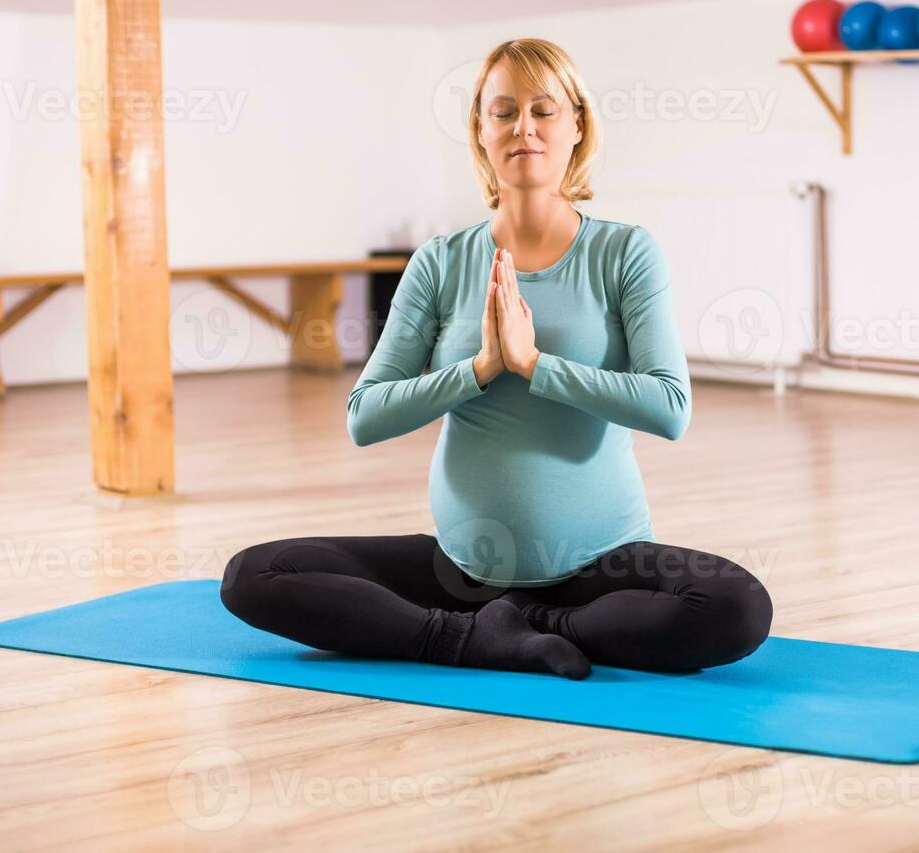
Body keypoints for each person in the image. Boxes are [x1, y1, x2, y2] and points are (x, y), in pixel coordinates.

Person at [221, 38, 772, 679]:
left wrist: (536, 364)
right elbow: (363, 417)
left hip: (602, 569)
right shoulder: (441, 260)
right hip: (460, 572)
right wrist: (479, 369)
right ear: (480, 133)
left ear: (577, 125)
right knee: (252, 576)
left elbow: (670, 408)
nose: (524, 128)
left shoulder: (625, 253)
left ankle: (532, 628)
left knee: (736, 606)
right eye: (503, 111)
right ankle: (466, 638)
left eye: (543, 109)